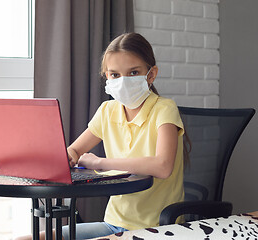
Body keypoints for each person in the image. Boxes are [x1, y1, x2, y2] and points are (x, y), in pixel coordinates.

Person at [17, 32, 186, 240]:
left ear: (150, 75)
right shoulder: (107, 111)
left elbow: (163, 166)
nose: (123, 81)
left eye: (133, 73)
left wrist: (100, 162)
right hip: (114, 224)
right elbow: (75, 149)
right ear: (106, 76)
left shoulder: (164, 109)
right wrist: (69, 155)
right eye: (115, 75)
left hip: (154, 229)